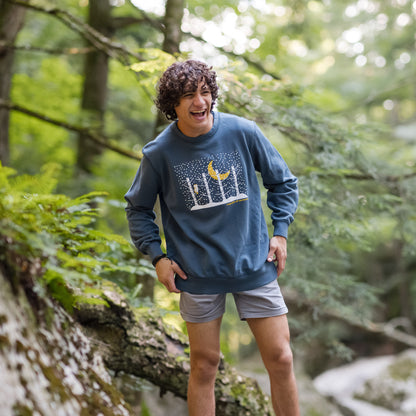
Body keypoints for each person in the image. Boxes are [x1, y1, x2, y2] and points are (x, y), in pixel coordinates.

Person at [125, 59, 300, 416]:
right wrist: (158, 257)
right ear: (172, 104)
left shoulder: (242, 132)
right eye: (189, 95)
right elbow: (137, 209)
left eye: (205, 92)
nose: (200, 102)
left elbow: (283, 182)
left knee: (281, 358)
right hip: (197, 273)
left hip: (255, 263)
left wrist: (280, 233)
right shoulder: (159, 153)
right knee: (205, 366)